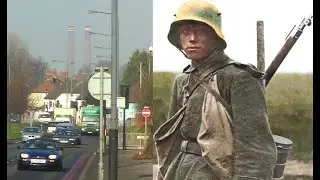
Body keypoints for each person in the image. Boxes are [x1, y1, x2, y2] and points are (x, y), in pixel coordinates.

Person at [153, 0, 277, 180]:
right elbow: (174, 140)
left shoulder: (238, 78)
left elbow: (256, 149)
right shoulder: (183, 81)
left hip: (217, 172)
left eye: (200, 31)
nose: (192, 38)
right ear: (178, 38)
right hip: (180, 171)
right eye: (186, 32)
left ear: (215, 36)